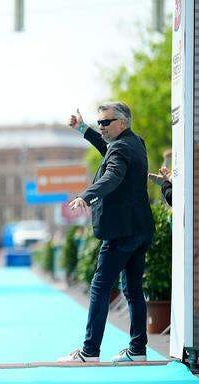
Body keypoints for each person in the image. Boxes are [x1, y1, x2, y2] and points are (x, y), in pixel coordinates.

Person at [59, 102, 154, 363]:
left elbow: (112, 176)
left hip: (121, 233)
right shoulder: (134, 143)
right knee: (133, 289)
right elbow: (109, 152)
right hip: (140, 229)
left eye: (105, 122)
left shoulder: (121, 148)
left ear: (122, 123)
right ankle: (138, 349)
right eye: (98, 122)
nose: (101, 127)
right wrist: (83, 129)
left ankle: (90, 352)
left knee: (100, 288)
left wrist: (86, 196)